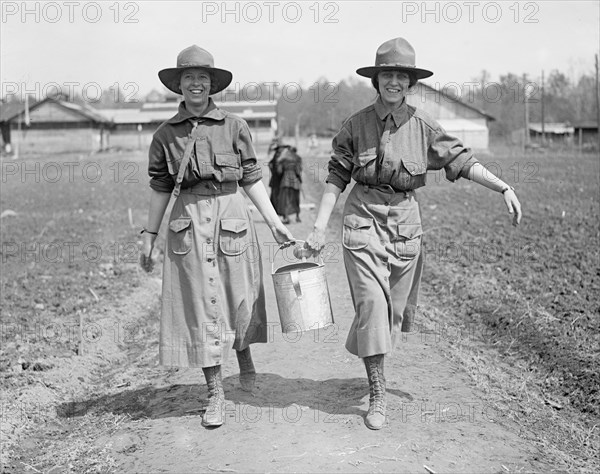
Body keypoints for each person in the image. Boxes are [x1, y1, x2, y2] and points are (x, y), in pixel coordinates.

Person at [303, 38, 522, 430]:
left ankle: (376, 358)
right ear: (377, 80)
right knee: (371, 302)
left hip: (405, 224)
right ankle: (377, 390)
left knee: (392, 311)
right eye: (387, 74)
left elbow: (463, 162)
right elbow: (336, 177)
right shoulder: (356, 125)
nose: (394, 82)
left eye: (401, 76)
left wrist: (503, 186)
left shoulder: (424, 127)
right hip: (362, 218)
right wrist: (319, 227)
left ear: (410, 83)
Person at [139, 45, 294, 428]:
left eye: (202, 78)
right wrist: (149, 235)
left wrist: (274, 222)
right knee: (197, 305)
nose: (196, 84)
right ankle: (215, 393)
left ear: (212, 84)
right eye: (188, 78)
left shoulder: (235, 127)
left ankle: (243, 351)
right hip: (187, 222)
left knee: (240, 295)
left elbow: (252, 179)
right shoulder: (164, 135)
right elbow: (160, 188)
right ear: (179, 85)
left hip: (232, 216)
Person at [276, 145, 302, 223]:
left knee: (285, 200)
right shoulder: (297, 159)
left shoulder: (283, 159)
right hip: (295, 182)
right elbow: (298, 171)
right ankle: (297, 217)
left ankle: (286, 217)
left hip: (285, 181)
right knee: (296, 199)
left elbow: (279, 172)